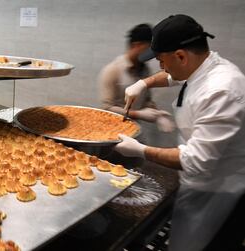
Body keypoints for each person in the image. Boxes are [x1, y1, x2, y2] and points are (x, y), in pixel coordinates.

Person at [115, 14, 245, 251]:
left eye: (162, 61)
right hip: (200, 181)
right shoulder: (204, 65)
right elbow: (171, 76)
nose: (161, 68)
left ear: (181, 56)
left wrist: (141, 150)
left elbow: (196, 160)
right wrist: (144, 83)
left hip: (217, 192)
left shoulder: (221, 91)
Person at [98, 23, 175, 133]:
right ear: (136, 45)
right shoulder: (113, 70)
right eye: (149, 49)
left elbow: (146, 100)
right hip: (112, 131)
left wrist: (157, 114)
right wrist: (138, 114)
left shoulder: (145, 70)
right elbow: (106, 108)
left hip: (135, 130)